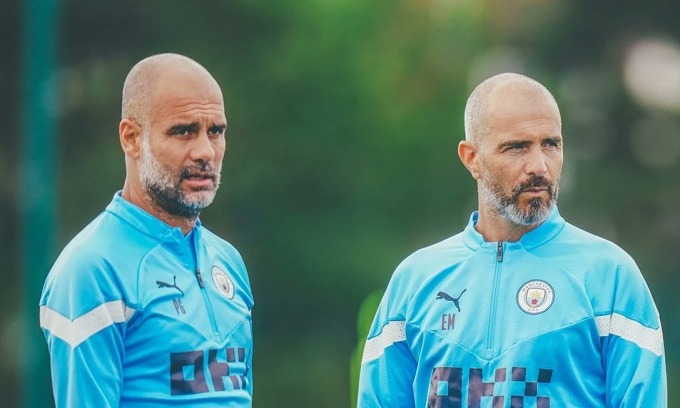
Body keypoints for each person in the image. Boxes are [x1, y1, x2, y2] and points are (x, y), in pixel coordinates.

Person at [357, 73, 666, 407]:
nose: (539, 166)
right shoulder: (414, 281)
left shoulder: (611, 276)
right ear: (471, 158)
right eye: (517, 147)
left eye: (551, 144)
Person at [39, 53, 254, 407]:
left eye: (215, 131)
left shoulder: (229, 262)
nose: (205, 151)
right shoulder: (91, 270)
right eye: (183, 131)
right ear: (131, 138)